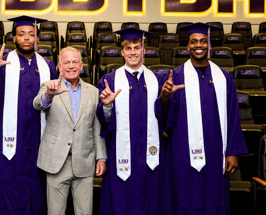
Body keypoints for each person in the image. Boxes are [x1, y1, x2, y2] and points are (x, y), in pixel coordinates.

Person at [0, 15, 57, 215]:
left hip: (38, 142)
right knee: (3, 194)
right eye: (21, 34)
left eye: (31, 34)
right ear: (13, 37)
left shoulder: (47, 67)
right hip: (4, 144)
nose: (27, 38)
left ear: (37, 38)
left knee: (36, 195)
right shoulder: (2, 63)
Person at [159, 22, 247, 215]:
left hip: (216, 151)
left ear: (209, 44)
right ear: (188, 46)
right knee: (184, 197)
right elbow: (166, 119)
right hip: (183, 152)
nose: (198, 45)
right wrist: (165, 97)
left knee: (213, 199)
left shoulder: (224, 78)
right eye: (193, 42)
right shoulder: (176, 76)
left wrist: (231, 152)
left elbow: (233, 116)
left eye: (202, 41)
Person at [96, 28, 166, 215]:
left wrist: (167, 99)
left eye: (137, 47)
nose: (133, 52)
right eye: (128, 48)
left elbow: (166, 118)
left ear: (143, 50)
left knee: (151, 195)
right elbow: (101, 120)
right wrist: (107, 106)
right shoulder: (109, 80)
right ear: (122, 51)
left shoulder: (158, 81)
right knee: (121, 197)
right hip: (121, 151)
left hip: (150, 153)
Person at [33, 47, 107, 215]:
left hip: (85, 161)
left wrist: (101, 157)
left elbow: (97, 127)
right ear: (59, 66)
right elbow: (37, 104)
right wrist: (49, 95)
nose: (71, 66)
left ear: (82, 66)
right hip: (57, 162)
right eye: (66, 62)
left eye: (75, 62)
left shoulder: (94, 92)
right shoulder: (49, 86)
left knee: (85, 213)